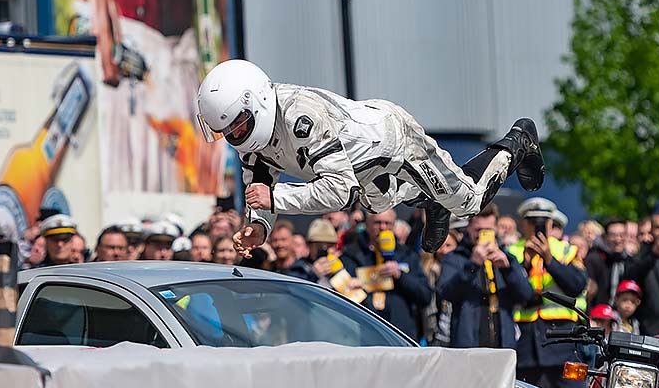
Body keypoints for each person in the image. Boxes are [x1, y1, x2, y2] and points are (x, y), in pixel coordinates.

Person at [195, 60, 545, 256]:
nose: (236, 134)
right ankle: (433, 201)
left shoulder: (302, 118)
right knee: (378, 204)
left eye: (240, 123)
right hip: (363, 170)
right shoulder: (252, 142)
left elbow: (339, 192)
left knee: (469, 202)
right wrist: (259, 225)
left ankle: (518, 140)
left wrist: (278, 198)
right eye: (227, 130)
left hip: (393, 142)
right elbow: (259, 189)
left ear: (255, 100)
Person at [509, 198, 588, 388]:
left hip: (562, 341)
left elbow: (577, 285)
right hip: (527, 343)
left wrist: (550, 260)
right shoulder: (513, 252)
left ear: (551, 224)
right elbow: (512, 292)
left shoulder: (566, 250)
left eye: (543, 222)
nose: (537, 227)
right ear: (523, 224)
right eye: (532, 222)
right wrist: (525, 264)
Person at [436, 203, 534, 348]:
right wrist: (472, 265)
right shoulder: (455, 258)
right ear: (468, 227)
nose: (482, 235)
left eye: (488, 230)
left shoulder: (507, 258)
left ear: (496, 229)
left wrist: (508, 269)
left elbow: (526, 295)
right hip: (468, 347)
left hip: (502, 346)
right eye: (478, 230)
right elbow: (445, 293)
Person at [340, 209, 433, 340]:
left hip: (401, 337)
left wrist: (400, 276)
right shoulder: (351, 255)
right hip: (364, 336)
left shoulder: (406, 255)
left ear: (393, 225)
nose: (383, 227)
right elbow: (339, 295)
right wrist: (354, 287)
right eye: (377, 222)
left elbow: (425, 296)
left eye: (387, 223)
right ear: (367, 224)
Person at [625, 212, 659, 336]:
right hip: (650, 330)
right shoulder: (642, 253)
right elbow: (631, 276)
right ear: (651, 231)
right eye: (658, 228)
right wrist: (654, 253)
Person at [585, 217, 630, 307]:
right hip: (597, 316)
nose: (618, 239)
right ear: (605, 237)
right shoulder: (593, 259)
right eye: (613, 235)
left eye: (622, 235)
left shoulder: (628, 261)